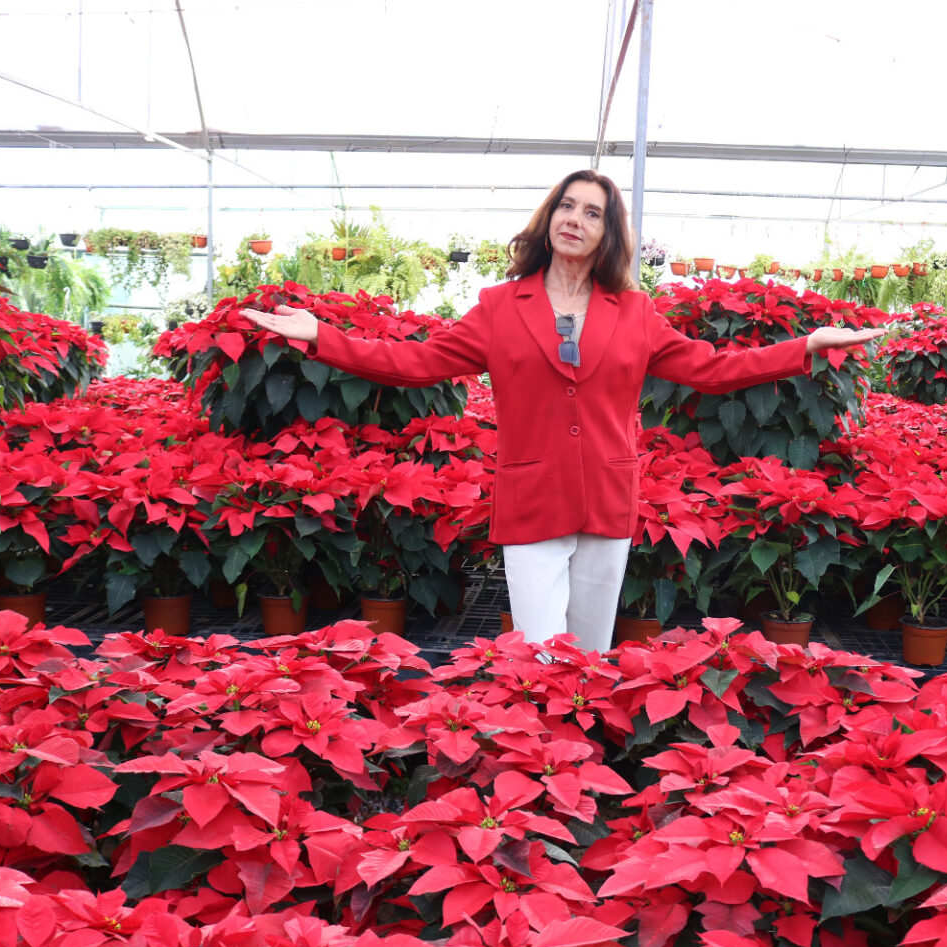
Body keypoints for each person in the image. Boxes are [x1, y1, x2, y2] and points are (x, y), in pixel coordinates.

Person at [241, 169, 883, 652]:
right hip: (531, 498)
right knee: (539, 657)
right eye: (566, 206)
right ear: (549, 218)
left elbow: (711, 371)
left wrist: (804, 346)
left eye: (593, 213)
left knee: (593, 657)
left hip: (607, 500)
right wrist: (322, 337)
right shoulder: (499, 306)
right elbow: (417, 362)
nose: (574, 218)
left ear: (609, 234)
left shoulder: (634, 313)